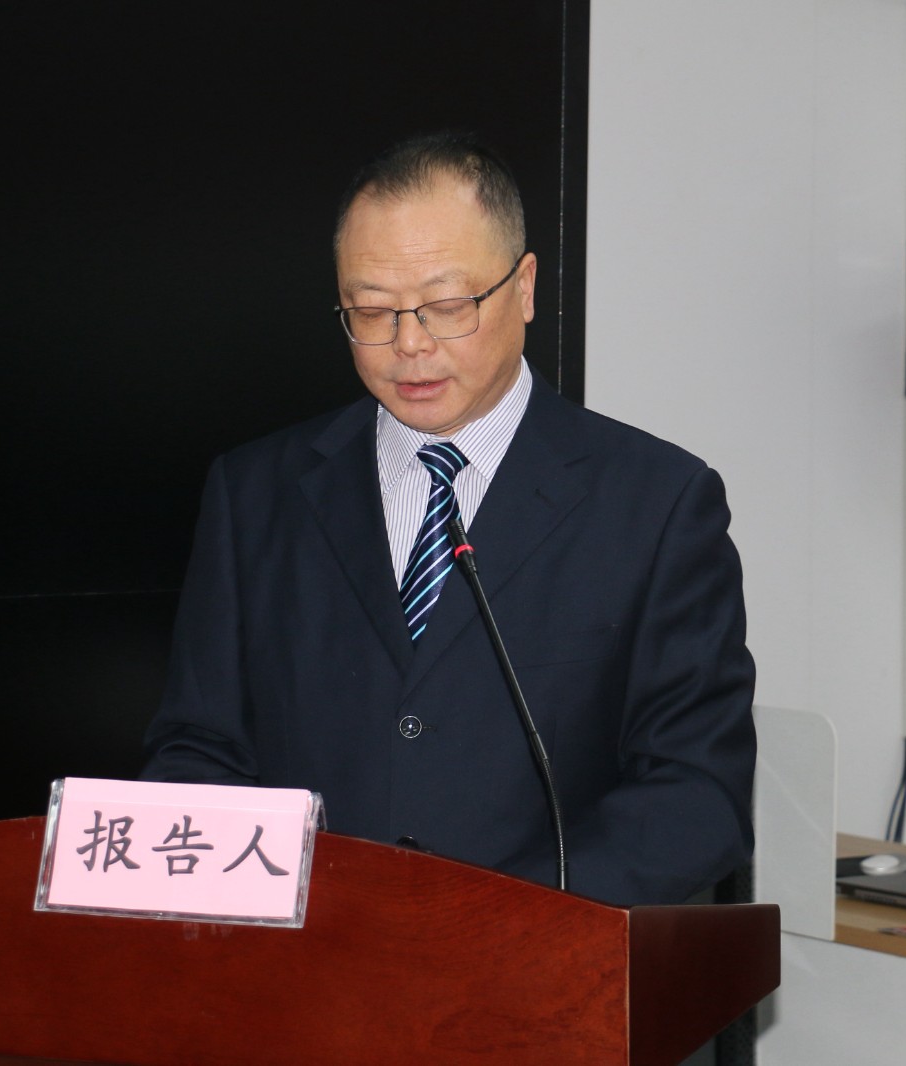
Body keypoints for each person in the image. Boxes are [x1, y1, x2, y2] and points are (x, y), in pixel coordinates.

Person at [140, 131, 754, 906]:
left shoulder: (656, 503)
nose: (409, 344)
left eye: (447, 306)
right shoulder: (256, 492)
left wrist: (484, 929)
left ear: (523, 288)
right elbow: (200, 747)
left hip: (540, 960)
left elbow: (696, 797)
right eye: (371, 311)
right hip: (309, 960)